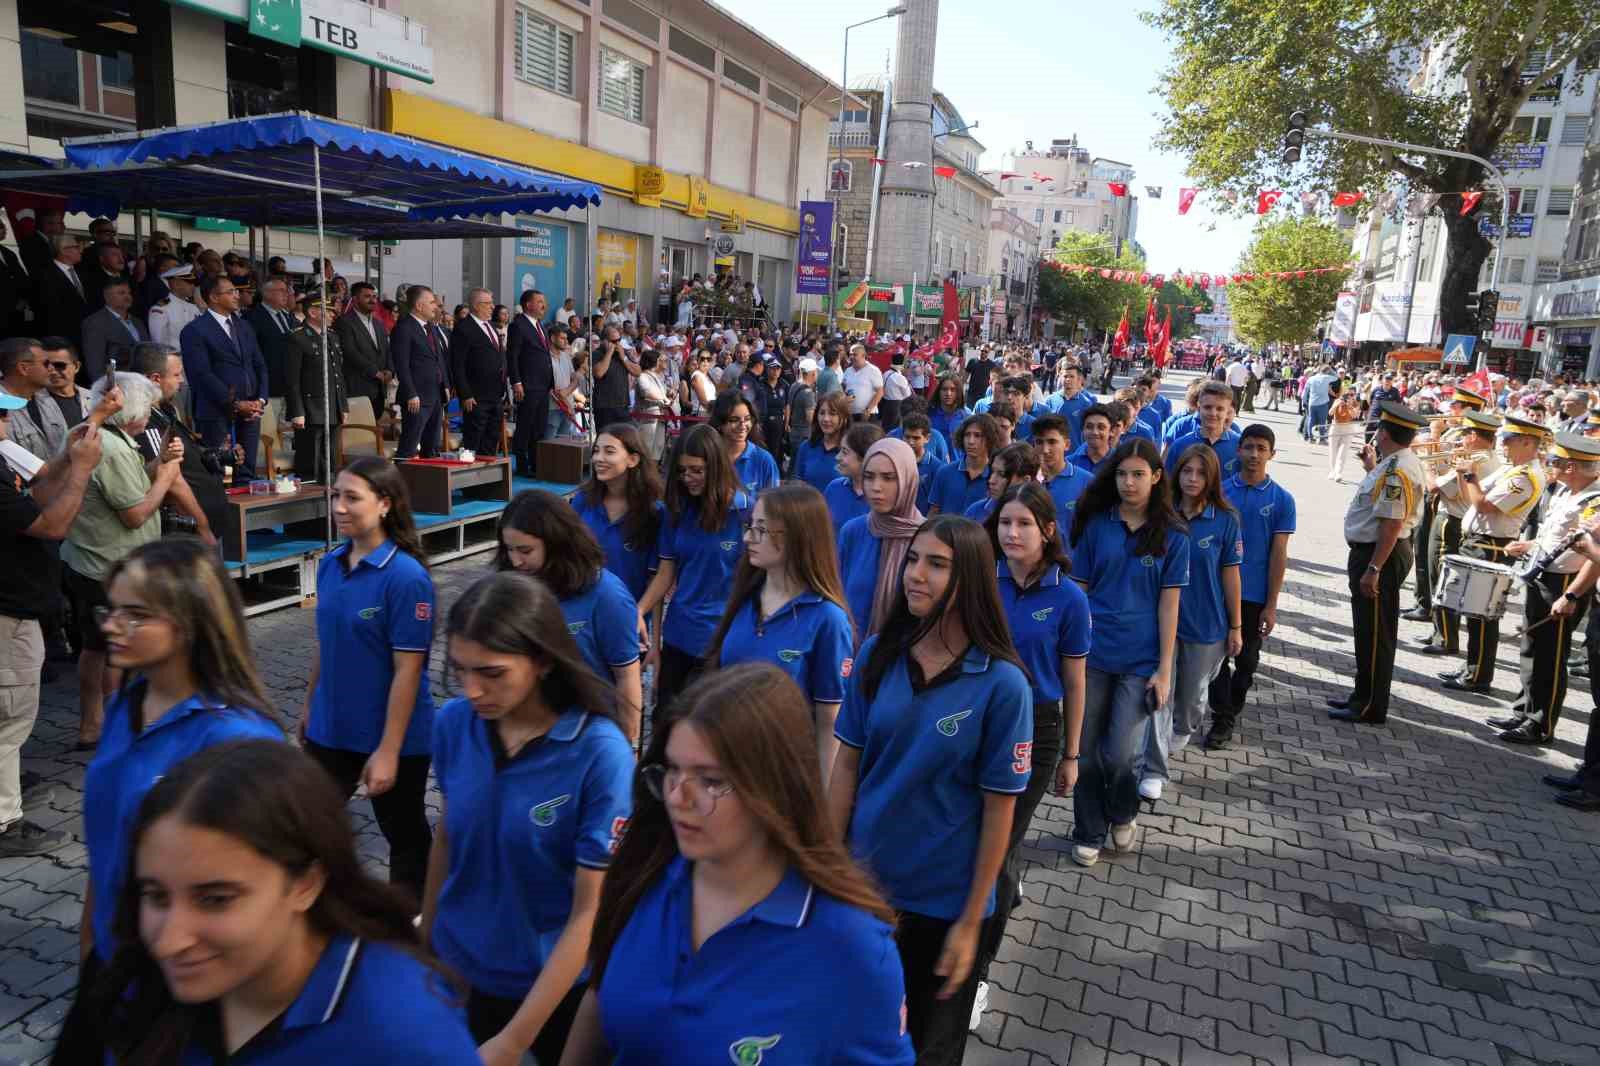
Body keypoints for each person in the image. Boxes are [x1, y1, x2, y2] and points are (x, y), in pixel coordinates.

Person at [560, 664, 914, 1064]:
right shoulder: (644, 875)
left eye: (710, 780)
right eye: (673, 770)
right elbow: (599, 1000)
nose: (678, 796)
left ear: (774, 788)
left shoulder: (852, 948)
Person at [91, 741, 481, 1064]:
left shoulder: (405, 1030)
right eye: (156, 896)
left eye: (215, 900)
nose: (169, 941)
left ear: (306, 884)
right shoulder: (148, 985)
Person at [56, 537, 284, 1062]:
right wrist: (91, 946)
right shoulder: (128, 702)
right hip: (114, 970)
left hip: (183, 990)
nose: (112, 626)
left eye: (135, 615)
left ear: (188, 623)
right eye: (110, 611)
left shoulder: (236, 740)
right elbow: (109, 837)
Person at [828, 516, 1031, 1062]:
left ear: (970, 579)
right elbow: (845, 766)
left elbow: (998, 812)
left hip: (943, 908)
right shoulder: (877, 655)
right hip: (864, 890)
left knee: (926, 1050)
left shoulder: (1003, 686)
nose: (915, 574)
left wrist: (971, 923)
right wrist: (823, 868)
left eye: (936, 564)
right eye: (913, 559)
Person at [422, 572, 633, 1065]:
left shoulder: (599, 755)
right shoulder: (456, 724)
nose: (472, 691)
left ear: (541, 661)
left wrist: (516, 1038)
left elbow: (590, 911)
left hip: (544, 995)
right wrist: (425, 948)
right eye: (460, 670)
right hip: (457, 974)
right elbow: (447, 841)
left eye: (492, 673)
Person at [300, 458, 436, 901]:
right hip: (331, 729)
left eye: (351, 497)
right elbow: (326, 640)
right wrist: (309, 704)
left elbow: (408, 670)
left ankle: (413, 930)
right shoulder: (330, 564)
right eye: (335, 495)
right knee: (307, 835)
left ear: (384, 505)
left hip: (391, 737)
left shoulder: (406, 578)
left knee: (407, 839)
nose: (338, 506)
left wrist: (389, 751)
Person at [975, 483, 1086, 1026]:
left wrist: (1072, 754)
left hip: (1036, 733)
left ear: (1046, 530)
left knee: (996, 849)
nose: (1011, 534)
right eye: (1004, 524)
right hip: (980, 722)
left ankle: (979, 973)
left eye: (1023, 524)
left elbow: (1073, 676)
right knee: (984, 838)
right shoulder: (982, 582)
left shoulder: (1070, 597)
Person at [1067, 438, 1189, 867]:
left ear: (1157, 478)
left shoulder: (1173, 537)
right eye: (1121, 474)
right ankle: (1088, 828)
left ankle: (1122, 810)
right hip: (1092, 656)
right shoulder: (1096, 525)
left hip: (1140, 663)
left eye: (1138, 474)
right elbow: (1077, 591)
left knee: (1121, 753)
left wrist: (1165, 669)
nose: (1128, 482)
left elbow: (1169, 605)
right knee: (1083, 748)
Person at [0, 383, 105, 858]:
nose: (7, 424)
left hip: (19, 609)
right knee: (10, 715)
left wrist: (67, 456)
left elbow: (38, 493)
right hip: (8, 614)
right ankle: (6, 822)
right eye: (1, 416)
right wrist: (81, 470)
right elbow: (53, 523)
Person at [62, 373, 184, 751]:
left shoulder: (110, 440)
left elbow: (130, 487)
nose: (150, 414)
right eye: (147, 406)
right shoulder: (111, 448)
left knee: (97, 647)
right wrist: (165, 478)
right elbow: (134, 513)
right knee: (112, 649)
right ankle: (114, 729)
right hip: (105, 565)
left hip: (95, 561)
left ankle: (95, 724)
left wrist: (157, 463)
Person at [707, 484, 854, 776]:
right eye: (750, 526)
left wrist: (823, 805)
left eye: (761, 529)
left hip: (782, 777)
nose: (748, 537)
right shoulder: (744, 600)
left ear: (797, 538)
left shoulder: (827, 620)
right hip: (727, 765)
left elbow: (829, 724)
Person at [494, 491, 643, 742]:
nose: (516, 561)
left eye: (525, 550)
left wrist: (627, 745)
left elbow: (627, 676)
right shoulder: (513, 587)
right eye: (509, 549)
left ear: (556, 543)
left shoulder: (606, 595)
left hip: (587, 735)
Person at [1490, 433, 1600, 745]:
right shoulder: (1566, 491)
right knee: (1531, 646)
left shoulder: (1594, 502)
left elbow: (1595, 558)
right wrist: (1529, 544)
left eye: (1554, 462)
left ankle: (1540, 723)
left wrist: (1571, 595)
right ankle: (1524, 710)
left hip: (1564, 582)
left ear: (1571, 467)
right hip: (1544, 574)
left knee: (1550, 656)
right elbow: (1558, 538)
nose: (1548, 466)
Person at [637, 425, 753, 719]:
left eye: (696, 470)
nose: (687, 478)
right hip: (679, 635)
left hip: (723, 641)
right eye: (682, 471)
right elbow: (665, 574)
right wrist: (639, 614)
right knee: (666, 723)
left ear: (715, 466)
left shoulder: (744, 513)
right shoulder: (675, 511)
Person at [1146, 445, 1241, 795]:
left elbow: (1231, 576)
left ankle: (1180, 733)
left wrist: (1236, 626)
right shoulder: (1161, 515)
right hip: (1162, 623)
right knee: (1160, 694)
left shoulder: (1225, 520)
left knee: (1188, 703)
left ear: (1212, 478)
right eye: (1187, 471)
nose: (1192, 479)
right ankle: (1153, 768)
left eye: (1201, 473)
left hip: (1206, 626)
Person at [1328, 402, 1427, 726]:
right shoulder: (1393, 463)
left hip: (1378, 554)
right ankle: (1362, 696)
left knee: (1375, 634)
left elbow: (1392, 524)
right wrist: (1372, 466)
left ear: (1384, 432)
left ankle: (1370, 705)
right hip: (1374, 551)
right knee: (1366, 630)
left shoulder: (1398, 469)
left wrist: (1374, 568)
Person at [1437, 412, 1547, 694]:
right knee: (1473, 613)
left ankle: (1479, 675)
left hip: (1493, 547)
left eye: (1508, 440)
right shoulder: (1511, 468)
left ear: (1526, 442)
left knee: (1483, 617)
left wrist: (1471, 474)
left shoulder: (1525, 477)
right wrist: (1464, 473)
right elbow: (1470, 496)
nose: (1503, 445)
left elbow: (1484, 505)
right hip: (1478, 541)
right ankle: (1471, 667)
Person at [1205, 425, 1295, 749]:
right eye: (1248, 447)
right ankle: (1222, 717)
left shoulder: (1282, 500)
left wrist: (1271, 604)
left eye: (1261, 448)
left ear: (1272, 454)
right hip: (1217, 592)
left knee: (1246, 660)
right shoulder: (1221, 492)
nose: (1254, 454)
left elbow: (1278, 554)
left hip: (1254, 595)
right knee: (1216, 658)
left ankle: (1230, 708)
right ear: (1239, 451)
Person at [1417, 409, 1503, 656]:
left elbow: (1434, 486)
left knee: (1441, 579)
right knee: (1440, 578)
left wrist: (1427, 461)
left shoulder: (1476, 460)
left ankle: (1445, 637)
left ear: (1474, 435)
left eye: (1466, 433)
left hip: (1451, 520)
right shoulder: (1486, 457)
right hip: (1455, 518)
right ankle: (1439, 632)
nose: (1461, 438)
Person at [179, 275, 268, 486]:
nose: (237, 295)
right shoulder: (194, 330)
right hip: (215, 412)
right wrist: (236, 404)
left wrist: (260, 400)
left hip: (251, 411)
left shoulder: (244, 326)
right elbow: (201, 375)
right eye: (230, 292)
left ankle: (243, 517)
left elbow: (260, 365)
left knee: (246, 473)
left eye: (237, 291)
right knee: (216, 473)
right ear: (214, 297)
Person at [836, 438, 925, 640]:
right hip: (852, 652)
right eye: (869, 477)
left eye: (888, 478)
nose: (876, 487)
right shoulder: (853, 532)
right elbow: (837, 597)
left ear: (908, 479)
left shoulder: (927, 537)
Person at [572, 423, 665, 605]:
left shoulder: (654, 512)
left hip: (629, 619)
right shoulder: (582, 501)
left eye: (609, 451)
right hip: (584, 615)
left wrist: (640, 613)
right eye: (596, 451)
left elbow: (657, 576)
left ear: (633, 459)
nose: (599, 458)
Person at [283, 295, 348, 484]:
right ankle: (310, 494)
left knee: (330, 457)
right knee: (310, 457)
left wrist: (342, 405)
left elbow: (338, 375)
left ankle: (329, 490)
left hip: (332, 406)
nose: (332, 314)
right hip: (310, 407)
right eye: (327, 310)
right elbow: (292, 379)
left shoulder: (333, 336)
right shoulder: (297, 338)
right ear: (312, 312)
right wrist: (297, 411)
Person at [392, 285, 452, 460]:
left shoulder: (431, 328)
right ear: (419, 306)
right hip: (416, 398)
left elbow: (439, 358)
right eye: (432, 302)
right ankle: (400, 483)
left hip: (435, 395)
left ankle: (428, 484)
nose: (436, 306)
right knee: (409, 445)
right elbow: (401, 365)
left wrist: (446, 384)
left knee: (432, 445)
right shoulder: (404, 328)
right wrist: (411, 393)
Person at [451, 288, 508, 456]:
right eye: (488, 303)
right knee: (474, 439)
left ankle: (489, 479)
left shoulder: (490, 325)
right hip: (476, 396)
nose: (492, 307)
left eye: (492, 302)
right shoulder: (464, 328)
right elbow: (458, 364)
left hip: (495, 394)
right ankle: (471, 479)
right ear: (476, 306)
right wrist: (465, 394)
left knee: (491, 438)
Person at [336, 281, 392, 418]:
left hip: (380, 388)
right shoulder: (344, 322)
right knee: (359, 432)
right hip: (358, 387)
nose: (372, 300)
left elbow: (387, 350)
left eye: (374, 296)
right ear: (354, 299)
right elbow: (350, 352)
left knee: (374, 431)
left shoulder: (379, 324)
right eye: (367, 296)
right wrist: (374, 372)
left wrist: (390, 370)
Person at [79, 278, 151, 385]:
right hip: (119, 387)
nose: (127, 296)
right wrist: (108, 390)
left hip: (144, 384)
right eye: (121, 293)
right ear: (107, 297)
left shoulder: (138, 322)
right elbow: (95, 365)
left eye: (129, 293)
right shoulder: (95, 323)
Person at [1163, 381, 1239, 478]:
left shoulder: (1239, 447)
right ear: (1199, 408)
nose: (1213, 413)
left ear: (1227, 411)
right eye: (1207, 407)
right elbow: (1168, 484)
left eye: (1220, 409)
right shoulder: (1180, 446)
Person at [710, 389, 779, 497]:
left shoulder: (764, 460)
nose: (742, 425)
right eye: (734, 420)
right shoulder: (708, 456)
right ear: (719, 422)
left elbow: (774, 506)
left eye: (747, 419)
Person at [927, 414, 998, 517]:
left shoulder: (995, 477)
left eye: (977, 435)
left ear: (989, 439)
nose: (971, 441)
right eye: (967, 435)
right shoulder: (945, 472)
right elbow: (933, 512)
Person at [824, 422, 884, 534]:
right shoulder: (834, 488)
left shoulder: (883, 497)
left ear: (865, 457)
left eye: (845, 452)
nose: (837, 457)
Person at [964, 442, 1039, 524]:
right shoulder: (975, 511)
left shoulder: (1040, 516)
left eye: (1001, 474)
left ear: (1025, 481)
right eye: (992, 471)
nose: (991, 480)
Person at [792, 391, 851, 494]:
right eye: (822, 413)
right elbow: (798, 481)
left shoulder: (852, 451)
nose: (826, 419)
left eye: (832, 414)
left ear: (844, 418)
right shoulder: (806, 447)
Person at [1067, 404, 1118, 475]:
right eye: (1089, 427)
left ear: (1112, 431)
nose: (1095, 432)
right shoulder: (1069, 464)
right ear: (1083, 430)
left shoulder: (1120, 462)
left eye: (1101, 427)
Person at [1327, 382, 1363, 481]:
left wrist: (1349, 406)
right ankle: (1332, 471)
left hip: (1348, 428)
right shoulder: (1338, 400)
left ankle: (1338, 472)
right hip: (1335, 427)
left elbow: (1355, 415)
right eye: (1347, 394)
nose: (1349, 396)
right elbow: (1330, 413)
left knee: (1343, 452)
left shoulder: (1356, 403)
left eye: (1352, 395)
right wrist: (1337, 404)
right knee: (1333, 450)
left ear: (1355, 395)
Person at [929, 375, 970, 455]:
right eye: (944, 389)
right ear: (939, 391)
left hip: (958, 464)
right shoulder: (929, 414)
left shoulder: (966, 417)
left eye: (953, 390)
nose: (948, 393)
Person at [842, 344, 884, 422]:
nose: (851, 357)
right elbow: (843, 388)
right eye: (850, 354)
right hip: (850, 414)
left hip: (868, 415)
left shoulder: (873, 370)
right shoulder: (848, 371)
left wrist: (868, 410)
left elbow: (880, 392)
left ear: (863, 355)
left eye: (855, 355)